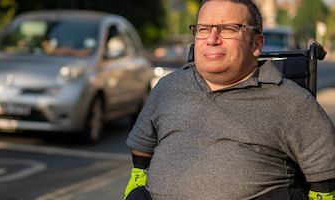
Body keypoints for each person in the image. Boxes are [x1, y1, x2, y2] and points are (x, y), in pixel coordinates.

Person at [124, 0, 335, 199]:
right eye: (204, 29)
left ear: (256, 43)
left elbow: (325, 176)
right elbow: (141, 147)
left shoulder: (291, 101)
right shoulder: (168, 87)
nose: (212, 39)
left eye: (229, 29)